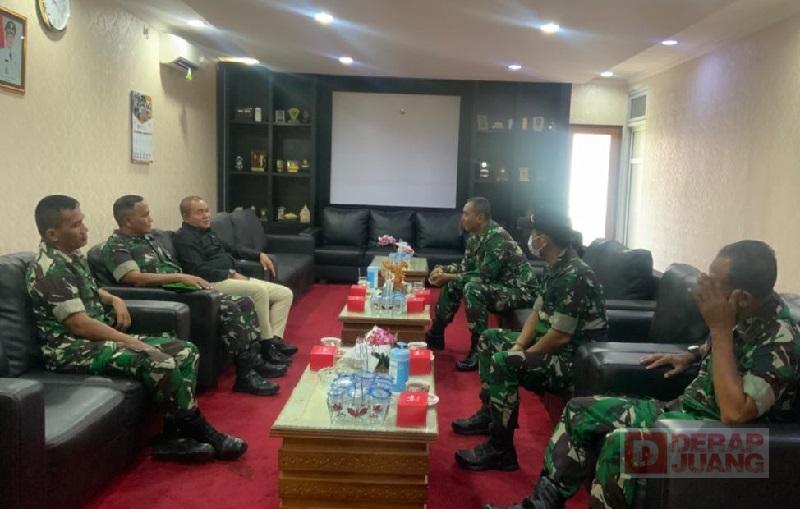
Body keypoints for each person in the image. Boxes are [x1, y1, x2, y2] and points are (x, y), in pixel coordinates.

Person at [483, 240, 800, 509]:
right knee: (580, 412)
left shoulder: (780, 339)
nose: (704, 287)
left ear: (742, 297)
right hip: (684, 413)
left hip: (730, 446)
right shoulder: (741, 313)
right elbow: (723, 350)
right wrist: (691, 354)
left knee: (621, 447)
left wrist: (719, 328)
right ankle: (541, 504)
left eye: (714, 282)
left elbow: (735, 413)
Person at [26, 195, 246, 462]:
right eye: (75, 225)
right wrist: (131, 341)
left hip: (97, 340)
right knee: (158, 360)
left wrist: (114, 299)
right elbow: (79, 324)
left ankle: (173, 436)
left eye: (82, 221)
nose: (85, 228)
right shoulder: (49, 269)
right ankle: (199, 428)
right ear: (52, 234)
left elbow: (90, 290)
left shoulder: (71, 257)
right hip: (71, 350)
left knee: (186, 351)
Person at [454, 211, 608, 471]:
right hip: (553, 346)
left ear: (544, 240)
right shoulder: (555, 266)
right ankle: (489, 414)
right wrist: (518, 347)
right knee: (490, 339)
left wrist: (523, 356)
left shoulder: (575, 274)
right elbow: (536, 313)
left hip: (572, 360)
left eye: (534, 233)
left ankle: (500, 450)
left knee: (504, 362)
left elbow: (560, 337)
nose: (530, 238)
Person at [102, 195, 288, 397]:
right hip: (165, 295)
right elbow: (133, 278)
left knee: (243, 302)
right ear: (128, 221)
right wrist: (181, 276)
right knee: (232, 306)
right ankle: (246, 375)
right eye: (145, 215)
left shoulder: (150, 238)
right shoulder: (116, 246)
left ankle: (253, 364)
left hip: (183, 288)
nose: (151, 219)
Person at [172, 196, 296, 364]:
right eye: (199, 212)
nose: (206, 215)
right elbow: (197, 271)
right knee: (259, 291)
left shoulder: (208, 232)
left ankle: (275, 340)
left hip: (232, 277)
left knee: (284, 293)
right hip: (212, 283)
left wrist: (258, 255)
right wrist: (229, 273)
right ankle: (266, 346)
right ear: (186, 216)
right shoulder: (184, 238)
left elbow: (233, 249)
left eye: (207, 211)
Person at [426, 197, 538, 371]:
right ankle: (436, 334)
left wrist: (449, 276)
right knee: (454, 282)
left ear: (479, 217)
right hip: (500, 285)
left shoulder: (497, 237)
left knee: (472, 289)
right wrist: (443, 270)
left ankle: (478, 350)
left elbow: (484, 276)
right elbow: (466, 268)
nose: (462, 218)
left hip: (520, 291)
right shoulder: (475, 236)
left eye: (466, 214)